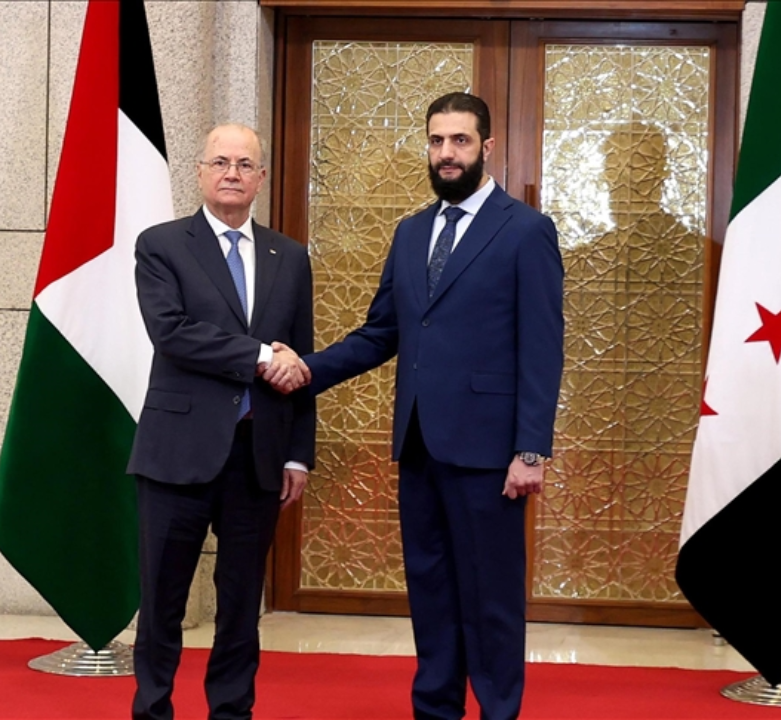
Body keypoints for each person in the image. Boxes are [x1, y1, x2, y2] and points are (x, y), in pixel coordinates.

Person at [301, 92, 565, 720]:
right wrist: (307, 370)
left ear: (486, 147)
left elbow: (542, 348)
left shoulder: (526, 230)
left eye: (460, 141)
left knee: (492, 597)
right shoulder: (411, 231)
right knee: (431, 589)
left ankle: (498, 710)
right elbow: (381, 333)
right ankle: (436, 709)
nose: (447, 153)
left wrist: (531, 450)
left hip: (490, 453)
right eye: (437, 140)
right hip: (419, 444)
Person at [126, 123, 314, 720]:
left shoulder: (290, 256)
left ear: (261, 178)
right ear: (201, 172)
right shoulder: (162, 245)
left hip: (257, 457)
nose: (232, 173)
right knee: (162, 601)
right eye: (221, 162)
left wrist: (297, 453)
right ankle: (153, 709)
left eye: (245, 164)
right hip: (176, 453)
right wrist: (258, 354)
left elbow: (301, 360)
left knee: (240, 606)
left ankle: (232, 711)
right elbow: (172, 333)